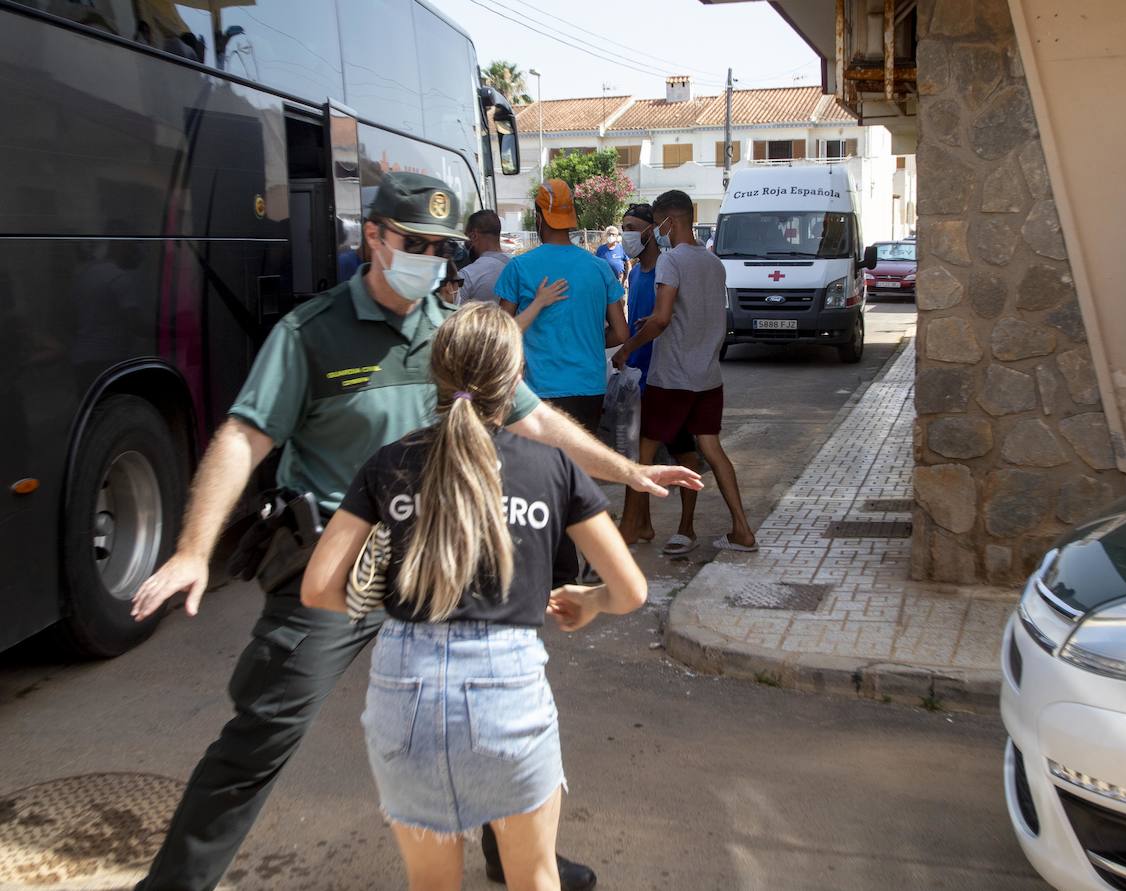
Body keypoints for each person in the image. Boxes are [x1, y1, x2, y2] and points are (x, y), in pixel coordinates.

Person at [128, 172, 699, 891]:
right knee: (263, 730)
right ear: (373, 236)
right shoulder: (311, 333)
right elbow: (244, 436)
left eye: (442, 246)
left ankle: (514, 853)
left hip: (441, 555)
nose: (431, 258)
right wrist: (190, 549)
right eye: (415, 242)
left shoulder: (451, 329)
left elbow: (538, 420)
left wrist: (629, 473)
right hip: (338, 561)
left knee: (485, 707)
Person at [301, 303, 647, 891]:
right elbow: (630, 591)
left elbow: (319, 588)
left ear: (437, 374)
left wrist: (398, 603)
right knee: (533, 876)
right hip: (506, 690)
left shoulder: (390, 463)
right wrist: (587, 602)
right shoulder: (551, 468)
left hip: (400, 685)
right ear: (514, 383)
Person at [612, 190, 756, 552]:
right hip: (708, 377)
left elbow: (661, 319)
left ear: (669, 223)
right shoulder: (714, 263)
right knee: (712, 450)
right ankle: (742, 529)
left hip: (672, 376)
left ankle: (631, 528)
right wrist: (660, 321)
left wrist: (627, 348)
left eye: (659, 223)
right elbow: (692, 313)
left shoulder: (670, 261)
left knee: (643, 455)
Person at [497, 180, 629, 434]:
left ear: (539, 218)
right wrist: (585, 341)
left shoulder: (519, 267)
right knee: (579, 469)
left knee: (544, 471)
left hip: (538, 390)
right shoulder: (599, 267)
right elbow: (621, 333)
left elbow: (499, 334)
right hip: (590, 388)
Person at [617, 203, 701, 554]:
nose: (626, 235)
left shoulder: (666, 272)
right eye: (623, 228)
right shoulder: (636, 273)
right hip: (638, 378)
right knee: (638, 455)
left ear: (652, 230)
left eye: (632, 227)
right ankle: (643, 524)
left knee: (681, 453)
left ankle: (681, 526)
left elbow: (665, 321)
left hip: (667, 377)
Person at [457, 209, 510, 304]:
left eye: (466, 236)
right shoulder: (516, 266)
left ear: (474, 236)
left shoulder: (467, 275)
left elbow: (455, 314)